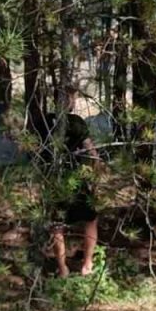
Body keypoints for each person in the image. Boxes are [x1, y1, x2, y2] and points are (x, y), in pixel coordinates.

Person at [43, 88, 101, 278]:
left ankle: (62, 268)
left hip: (54, 180)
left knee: (57, 224)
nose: (74, 101)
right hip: (77, 180)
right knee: (90, 220)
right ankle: (87, 263)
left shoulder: (43, 122)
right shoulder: (76, 122)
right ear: (67, 100)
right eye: (72, 98)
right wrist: (95, 176)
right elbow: (92, 153)